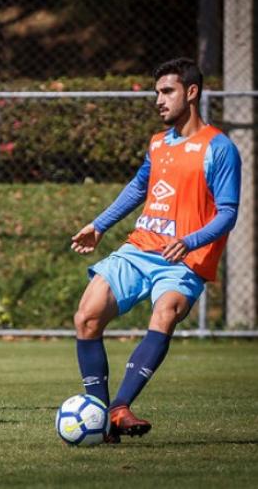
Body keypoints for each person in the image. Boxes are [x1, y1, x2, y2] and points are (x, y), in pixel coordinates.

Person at [71, 57, 241, 443]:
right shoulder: (158, 143)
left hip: (183, 259)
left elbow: (228, 212)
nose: (158, 100)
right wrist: (99, 225)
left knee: (165, 313)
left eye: (167, 92)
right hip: (139, 248)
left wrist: (190, 241)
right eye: (157, 93)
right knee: (87, 316)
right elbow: (138, 187)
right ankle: (102, 421)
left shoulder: (219, 148)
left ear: (191, 92)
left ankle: (120, 408)